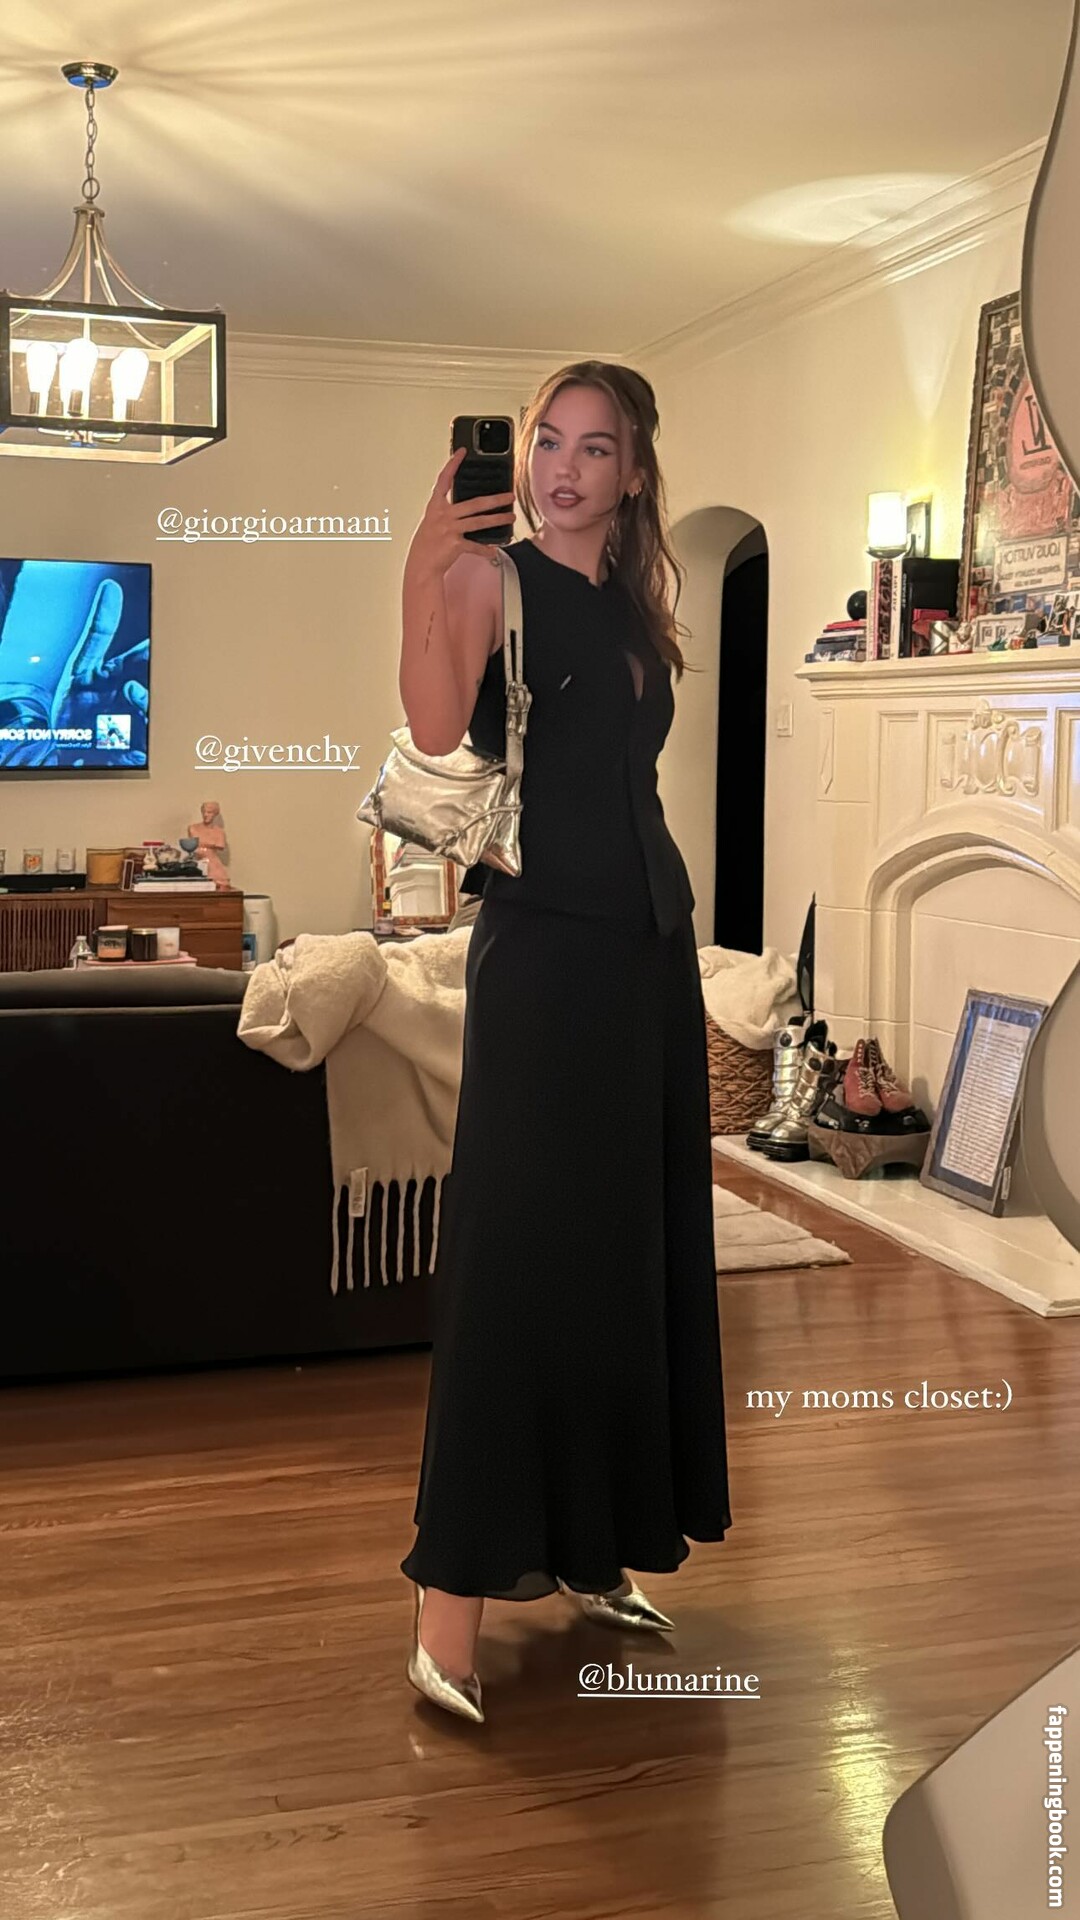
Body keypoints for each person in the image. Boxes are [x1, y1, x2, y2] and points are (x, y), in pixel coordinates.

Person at [397, 361, 731, 1724]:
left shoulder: (638, 605)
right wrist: (425, 559)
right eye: (550, 441)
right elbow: (433, 727)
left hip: (648, 949)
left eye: (597, 447)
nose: (566, 467)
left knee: (627, 1252)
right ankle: (448, 1606)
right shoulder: (494, 577)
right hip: (539, 956)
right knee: (517, 1259)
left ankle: (598, 1548)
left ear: (634, 473)